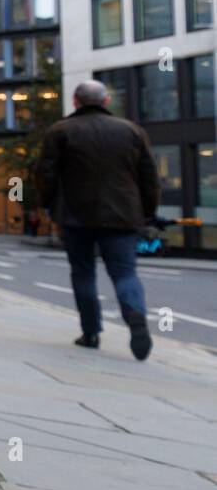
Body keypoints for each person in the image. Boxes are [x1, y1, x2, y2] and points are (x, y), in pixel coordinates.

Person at [36, 80, 159, 361]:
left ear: (75, 101)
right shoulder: (131, 131)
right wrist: (148, 212)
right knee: (125, 273)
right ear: (106, 102)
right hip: (123, 215)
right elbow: (149, 178)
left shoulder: (60, 131)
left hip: (75, 215)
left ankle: (90, 333)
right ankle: (134, 313)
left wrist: (48, 205)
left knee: (83, 273)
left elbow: (45, 175)